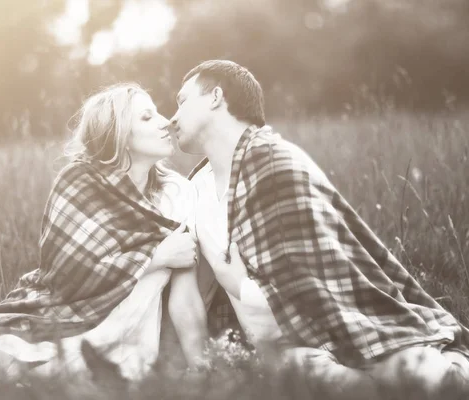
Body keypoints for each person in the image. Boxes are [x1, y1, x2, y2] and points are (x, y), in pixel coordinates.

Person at [169, 59, 469, 398]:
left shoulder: (276, 163)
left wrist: (239, 285)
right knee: (323, 383)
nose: (172, 117)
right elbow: (195, 291)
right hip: (282, 350)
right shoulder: (195, 189)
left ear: (215, 97)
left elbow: (319, 281)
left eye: (181, 101)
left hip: (344, 324)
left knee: (425, 379)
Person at [0, 83, 209, 382]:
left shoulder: (178, 192)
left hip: (134, 340)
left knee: (107, 380)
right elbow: (69, 274)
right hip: (66, 317)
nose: (166, 121)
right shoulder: (79, 181)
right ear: (119, 135)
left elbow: (185, 292)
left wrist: (200, 367)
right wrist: (156, 256)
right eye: (146, 117)